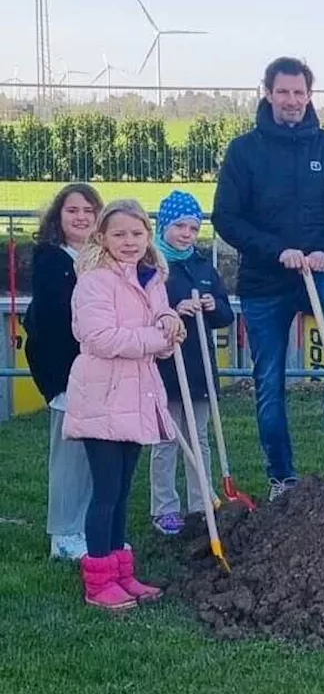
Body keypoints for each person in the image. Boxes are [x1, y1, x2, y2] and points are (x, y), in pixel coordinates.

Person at [211, 56, 324, 502]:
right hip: (265, 281)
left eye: (299, 92)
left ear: (309, 95)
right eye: (282, 92)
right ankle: (282, 475)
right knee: (270, 381)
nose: (291, 101)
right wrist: (273, 250)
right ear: (267, 93)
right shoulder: (245, 151)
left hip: (317, 272)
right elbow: (225, 217)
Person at [64, 199, 180, 611]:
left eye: (136, 234)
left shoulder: (152, 279)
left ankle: (121, 572)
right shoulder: (94, 281)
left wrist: (169, 323)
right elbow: (100, 338)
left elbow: (159, 327)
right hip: (103, 395)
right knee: (106, 491)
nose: (129, 242)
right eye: (119, 234)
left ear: (148, 236)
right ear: (102, 238)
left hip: (136, 395)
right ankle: (98, 580)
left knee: (124, 489)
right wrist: (157, 338)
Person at [23, 183, 102, 560]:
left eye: (89, 210)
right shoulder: (52, 260)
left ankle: (87, 527)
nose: (81, 217)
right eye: (73, 210)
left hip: (102, 369)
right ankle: (63, 533)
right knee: (69, 454)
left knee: (95, 455)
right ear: (59, 216)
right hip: (67, 371)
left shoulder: (104, 258)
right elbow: (53, 319)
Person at [150, 191, 234, 536]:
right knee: (166, 439)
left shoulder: (203, 267)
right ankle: (164, 508)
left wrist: (214, 306)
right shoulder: (152, 268)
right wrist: (174, 309)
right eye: (180, 226)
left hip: (198, 365)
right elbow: (145, 311)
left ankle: (201, 500)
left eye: (193, 227)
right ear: (164, 226)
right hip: (166, 365)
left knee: (198, 436)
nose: (187, 233)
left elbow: (226, 316)